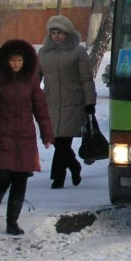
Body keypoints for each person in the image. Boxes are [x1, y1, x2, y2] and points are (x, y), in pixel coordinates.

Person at [0, 39, 54, 236]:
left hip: (25, 135)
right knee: (3, 175)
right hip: (2, 133)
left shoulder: (31, 80)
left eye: (19, 60)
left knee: (20, 179)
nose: (16, 64)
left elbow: (41, 108)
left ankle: (12, 222)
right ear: (5, 61)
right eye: (12, 60)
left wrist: (47, 134)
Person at [37, 15, 97, 189]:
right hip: (51, 102)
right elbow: (35, 77)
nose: (56, 36)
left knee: (63, 141)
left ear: (67, 34)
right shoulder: (43, 53)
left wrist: (89, 102)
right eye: (53, 32)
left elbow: (86, 78)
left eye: (60, 33)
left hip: (73, 102)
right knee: (55, 140)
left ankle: (57, 178)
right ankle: (74, 165)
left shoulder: (78, 52)